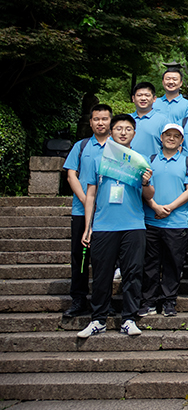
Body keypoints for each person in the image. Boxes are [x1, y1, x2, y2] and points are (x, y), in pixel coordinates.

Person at [76, 114, 153, 338]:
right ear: (111, 132)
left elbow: (149, 194)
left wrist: (146, 182)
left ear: (134, 134)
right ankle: (98, 319)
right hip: (103, 225)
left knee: (133, 273)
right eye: (119, 128)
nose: (123, 132)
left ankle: (129, 318)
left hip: (133, 224)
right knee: (101, 274)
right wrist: (88, 226)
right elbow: (91, 194)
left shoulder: (139, 160)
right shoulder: (97, 159)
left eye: (128, 129)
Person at [62, 104, 112, 318]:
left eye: (105, 119)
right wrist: (85, 201)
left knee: (106, 259)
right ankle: (79, 299)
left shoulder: (117, 147)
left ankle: (104, 301)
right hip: (81, 211)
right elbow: (71, 175)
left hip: (109, 213)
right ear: (90, 122)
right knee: (79, 257)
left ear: (111, 121)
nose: (100, 123)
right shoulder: (81, 146)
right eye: (96, 119)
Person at [140, 123, 188, 318]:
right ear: (161, 138)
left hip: (176, 221)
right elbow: (143, 186)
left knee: (173, 263)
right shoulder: (149, 160)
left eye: (176, 136)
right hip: (151, 219)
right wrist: (154, 206)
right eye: (168, 135)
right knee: (150, 263)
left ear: (181, 140)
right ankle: (148, 301)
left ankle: (169, 301)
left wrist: (169, 207)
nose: (171, 138)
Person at [130, 82, 168, 159]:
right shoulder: (126, 119)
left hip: (152, 164)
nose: (143, 98)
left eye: (147, 95)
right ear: (133, 98)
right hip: (126, 164)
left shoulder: (163, 121)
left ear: (154, 99)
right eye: (139, 95)